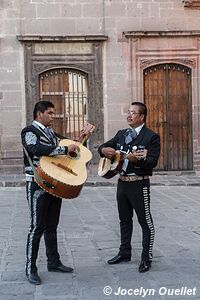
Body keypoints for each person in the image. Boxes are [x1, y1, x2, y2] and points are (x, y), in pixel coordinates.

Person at [21, 100, 80, 285]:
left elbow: (69, 147)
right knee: (36, 227)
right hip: (37, 184)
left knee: (52, 226)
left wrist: (80, 140)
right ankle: (30, 268)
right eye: (50, 113)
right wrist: (63, 148)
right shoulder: (29, 131)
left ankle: (53, 262)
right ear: (40, 114)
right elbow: (35, 149)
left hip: (55, 185)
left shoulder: (51, 134)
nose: (53, 116)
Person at [98, 102, 160, 273]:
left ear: (141, 117)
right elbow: (102, 147)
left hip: (139, 184)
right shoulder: (121, 134)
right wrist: (104, 151)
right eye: (128, 112)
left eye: (133, 113)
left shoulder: (151, 137)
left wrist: (137, 159)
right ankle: (124, 252)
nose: (129, 115)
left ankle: (146, 258)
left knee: (145, 221)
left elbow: (152, 161)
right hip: (122, 183)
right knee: (124, 220)